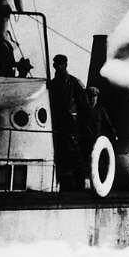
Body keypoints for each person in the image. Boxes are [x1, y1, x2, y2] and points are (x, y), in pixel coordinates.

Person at [48, 54, 89, 189]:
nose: (56, 66)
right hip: (57, 123)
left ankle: (79, 185)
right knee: (61, 154)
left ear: (65, 65)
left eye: (59, 64)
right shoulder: (53, 84)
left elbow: (83, 105)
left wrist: (80, 123)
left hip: (71, 125)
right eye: (55, 64)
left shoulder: (74, 83)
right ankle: (65, 184)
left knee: (74, 154)